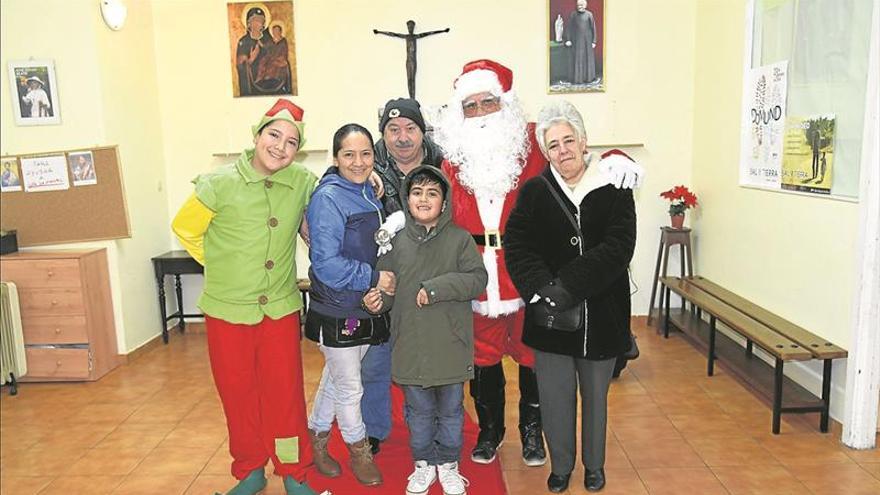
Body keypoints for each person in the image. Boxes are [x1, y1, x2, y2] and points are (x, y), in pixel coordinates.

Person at [431, 59, 642, 467]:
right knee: (482, 357)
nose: (478, 114)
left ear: (504, 104)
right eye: (469, 106)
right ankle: (491, 430)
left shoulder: (531, 143)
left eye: (487, 102)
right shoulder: (452, 155)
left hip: (527, 273)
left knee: (533, 355)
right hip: (475, 275)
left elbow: (572, 148)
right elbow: (421, 186)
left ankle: (532, 430)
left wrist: (617, 157)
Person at [171, 99, 320, 495]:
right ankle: (250, 469)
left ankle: (293, 471)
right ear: (257, 136)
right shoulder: (217, 183)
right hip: (226, 311)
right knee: (237, 394)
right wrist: (220, 264)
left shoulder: (303, 181)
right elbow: (185, 229)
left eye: (291, 142)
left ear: (297, 149)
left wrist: (367, 179)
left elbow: (334, 197)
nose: (280, 147)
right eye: (274, 135)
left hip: (280, 309)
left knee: (285, 394)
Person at [504, 101, 637, 493]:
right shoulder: (533, 192)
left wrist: (569, 286)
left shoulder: (615, 186)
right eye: (553, 145)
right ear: (545, 153)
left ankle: (594, 466)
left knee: (596, 398)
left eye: (568, 140)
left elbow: (619, 246)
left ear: (583, 141)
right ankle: (561, 466)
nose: (562, 151)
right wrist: (545, 289)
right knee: (555, 397)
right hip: (550, 316)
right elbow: (517, 245)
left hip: (603, 315)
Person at [364, 166, 488, 495]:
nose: (423, 199)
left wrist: (436, 288)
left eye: (432, 193)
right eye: (417, 192)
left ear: (444, 202)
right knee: (417, 414)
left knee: (450, 411)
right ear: (407, 199)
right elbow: (387, 289)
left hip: (451, 344)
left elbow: (478, 280)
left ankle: (448, 464)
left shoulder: (460, 239)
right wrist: (379, 300)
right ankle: (423, 464)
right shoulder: (395, 243)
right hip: (410, 346)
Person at [304, 123, 393, 487]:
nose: (359, 162)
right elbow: (325, 263)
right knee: (351, 387)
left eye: (366, 154)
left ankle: (317, 438)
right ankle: (359, 451)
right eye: (349, 155)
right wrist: (373, 279)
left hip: (361, 305)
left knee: (335, 379)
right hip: (336, 307)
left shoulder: (366, 190)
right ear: (336, 158)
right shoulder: (328, 199)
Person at [358, 97, 445, 457]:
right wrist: (363, 172)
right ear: (383, 134)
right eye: (393, 130)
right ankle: (375, 428)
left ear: (422, 131)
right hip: (383, 279)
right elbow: (335, 173)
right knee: (376, 360)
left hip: (431, 278)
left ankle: (430, 426)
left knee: (431, 361)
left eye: (410, 128)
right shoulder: (366, 162)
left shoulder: (445, 163)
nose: (402, 137)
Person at [564, 0, 598, 85]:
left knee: (587, 59)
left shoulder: (589, 14)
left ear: (585, 5)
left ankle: (588, 78)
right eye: (578, 5)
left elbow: (593, 28)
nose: (580, 7)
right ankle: (577, 79)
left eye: (582, 5)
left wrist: (594, 41)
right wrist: (568, 39)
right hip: (576, 41)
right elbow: (569, 28)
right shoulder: (573, 15)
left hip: (587, 42)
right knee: (577, 59)